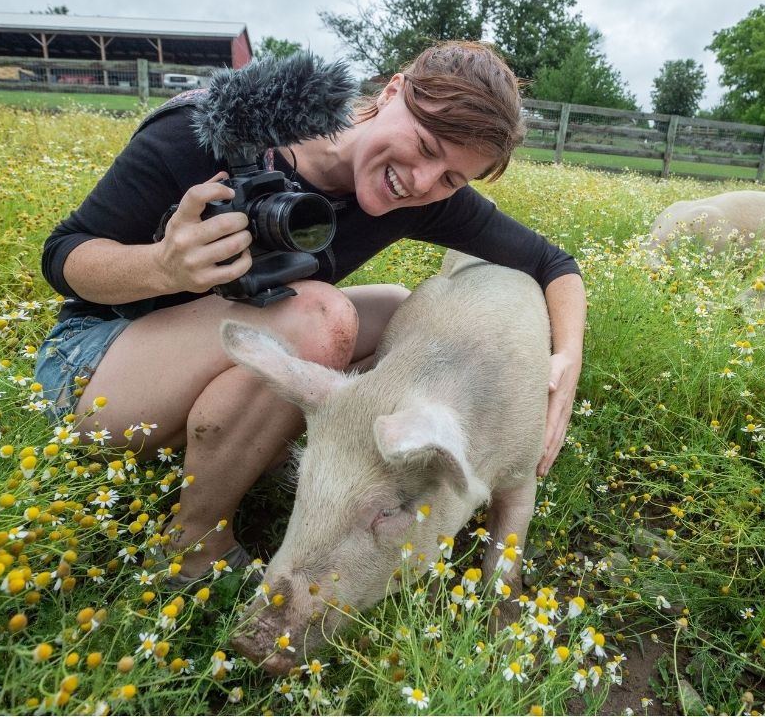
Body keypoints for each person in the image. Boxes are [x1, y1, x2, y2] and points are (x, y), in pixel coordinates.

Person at [36, 40, 586, 586]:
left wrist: (564, 364)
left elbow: (552, 263)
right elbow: (64, 255)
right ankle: (194, 546)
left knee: (395, 311)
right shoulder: (213, 134)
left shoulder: (418, 197)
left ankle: (256, 455)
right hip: (96, 369)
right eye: (423, 144)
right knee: (321, 316)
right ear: (393, 91)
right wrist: (164, 266)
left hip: (204, 349)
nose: (421, 181)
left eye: (450, 179)